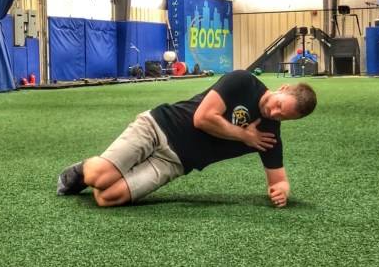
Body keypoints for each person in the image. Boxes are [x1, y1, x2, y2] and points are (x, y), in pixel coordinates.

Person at [57, 70, 317, 208]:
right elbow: (202, 118)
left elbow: (279, 179)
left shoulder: (269, 134)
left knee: (107, 198)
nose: (274, 113)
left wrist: (281, 191)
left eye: (284, 117)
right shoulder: (243, 81)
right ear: (283, 89)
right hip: (158, 127)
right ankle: (83, 170)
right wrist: (244, 135)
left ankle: (114, 168)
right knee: (99, 178)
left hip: (174, 163)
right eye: (279, 105)